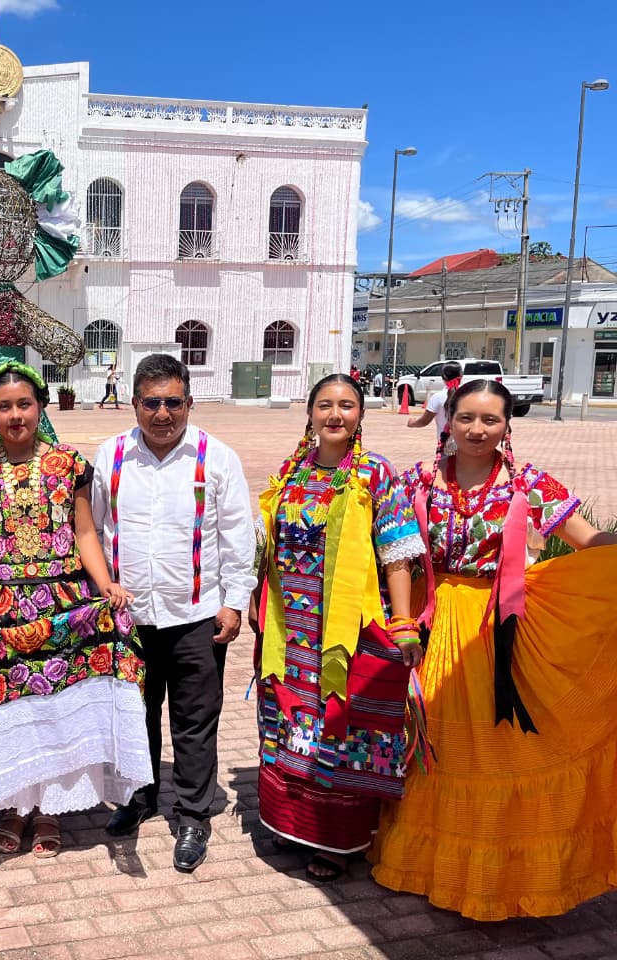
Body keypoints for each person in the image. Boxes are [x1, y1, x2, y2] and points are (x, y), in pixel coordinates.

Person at [370, 379, 617, 920]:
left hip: (507, 625)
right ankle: (431, 866)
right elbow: (396, 559)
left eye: (490, 420)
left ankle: (507, 872)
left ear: (507, 425)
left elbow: (587, 539)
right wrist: (402, 623)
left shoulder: (528, 484)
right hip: (437, 626)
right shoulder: (416, 483)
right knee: (441, 749)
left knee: (510, 745)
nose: (477, 430)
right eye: (466, 417)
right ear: (446, 419)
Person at [0, 361, 152, 858]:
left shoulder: (69, 464)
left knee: (57, 709)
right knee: (13, 707)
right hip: (2, 608)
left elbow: (84, 532)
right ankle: (16, 809)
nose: (16, 415)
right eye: (3, 407)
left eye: (24, 404)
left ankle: (52, 809)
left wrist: (106, 586)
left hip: (63, 606)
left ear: (40, 407)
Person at [245, 373, 426, 881]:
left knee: (339, 725)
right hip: (289, 627)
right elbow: (268, 545)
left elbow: (397, 555)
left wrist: (405, 623)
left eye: (347, 405)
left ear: (361, 414)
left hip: (346, 630)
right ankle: (288, 825)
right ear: (309, 412)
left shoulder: (374, 474)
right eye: (325, 404)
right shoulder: (291, 471)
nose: (335, 414)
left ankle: (335, 841)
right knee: (289, 719)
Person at [91, 354, 256, 872]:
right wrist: (100, 590)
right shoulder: (111, 456)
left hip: (197, 615)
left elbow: (236, 536)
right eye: (151, 402)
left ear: (189, 401)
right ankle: (138, 800)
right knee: (134, 719)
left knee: (194, 721)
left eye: (173, 402)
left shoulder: (217, 457)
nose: (162, 413)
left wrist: (234, 602)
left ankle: (192, 815)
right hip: (129, 619)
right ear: (135, 403)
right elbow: (93, 533)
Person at [406, 361, 460, 444]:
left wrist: (412, 423)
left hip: (445, 446)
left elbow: (424, 421)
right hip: (467, 447)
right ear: (461, 376)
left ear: (443, 377)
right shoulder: (469, 395)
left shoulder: (438, 397)